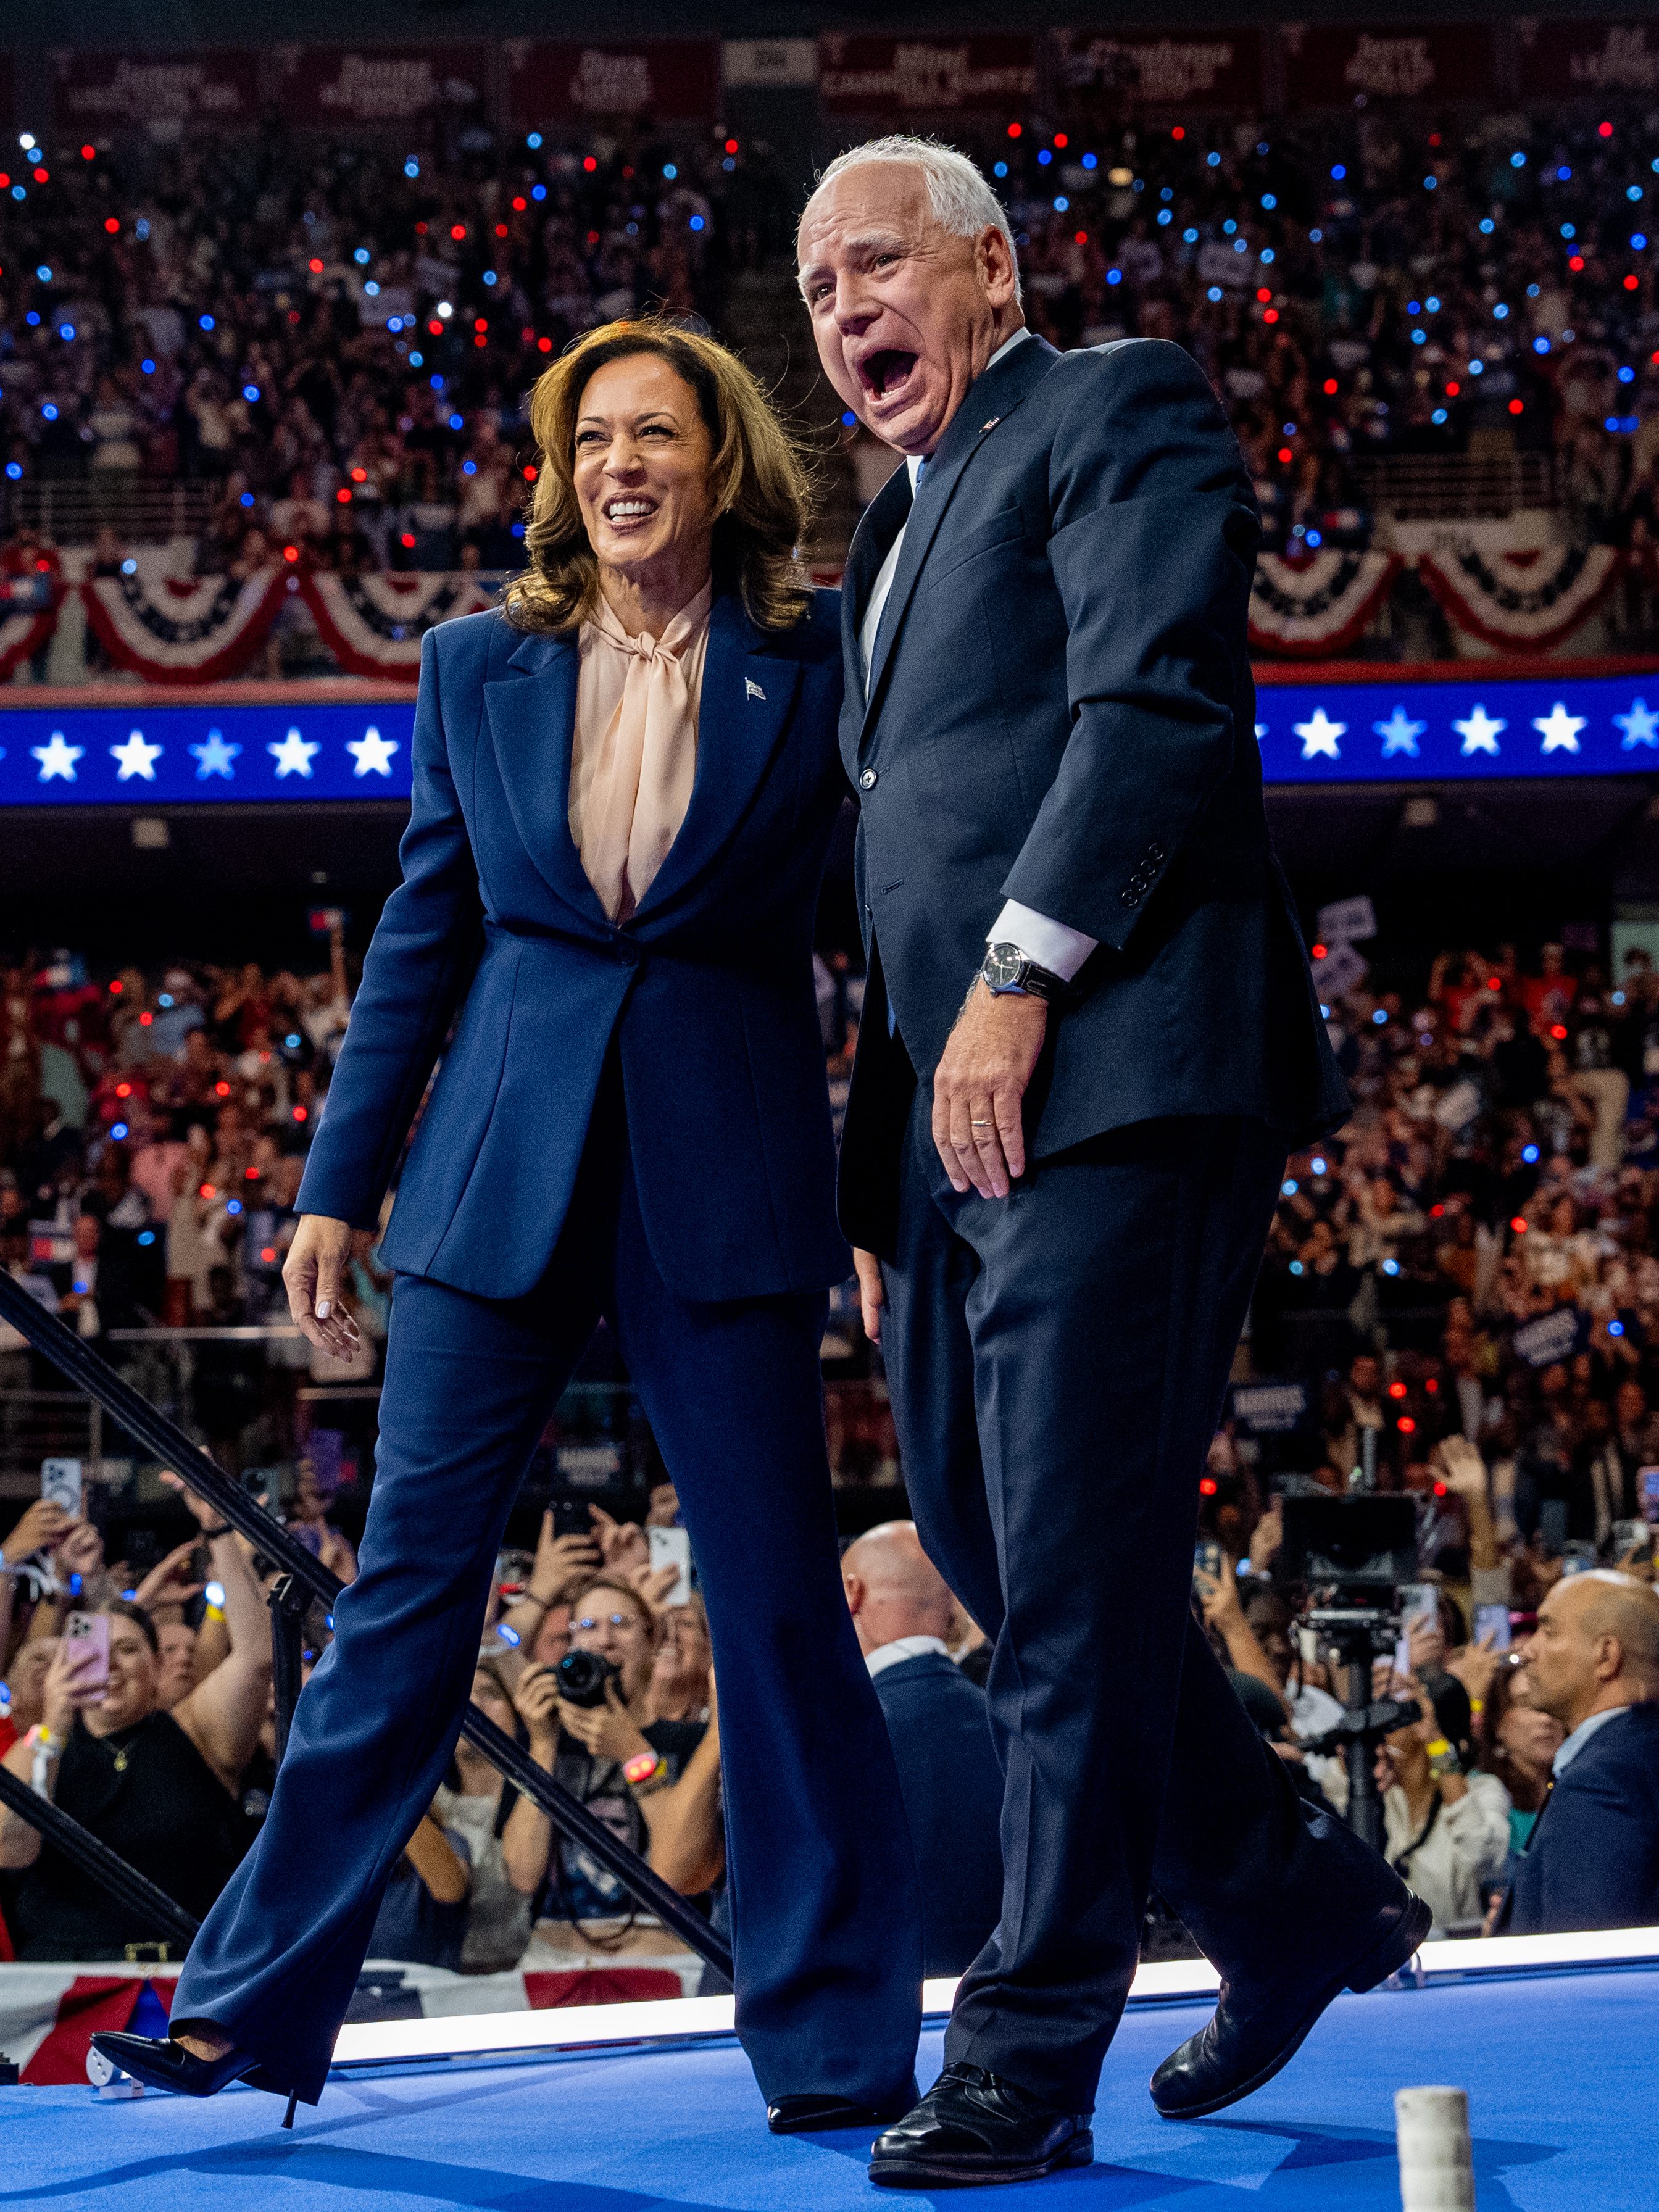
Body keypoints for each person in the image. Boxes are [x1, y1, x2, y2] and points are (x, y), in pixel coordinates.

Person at [95, 317, 922, 2128]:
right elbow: (421, 936)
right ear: (561, 475)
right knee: (401, 1599)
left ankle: (844, 2042)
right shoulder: (476, 662)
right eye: (591, 438)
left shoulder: (819, 655)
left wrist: (881, 1194)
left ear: (720, 467)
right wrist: (333, 1177)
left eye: (656, 434)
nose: (620, 464)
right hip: (494, 1181)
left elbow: (894, 936)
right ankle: (242, 2008)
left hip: (732, 1182)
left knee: (782, 1608)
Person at [798, 136, 1426, 2189]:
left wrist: (1012, 977)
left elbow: (1146, 710)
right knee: (992, 1556)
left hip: (1116, 1069)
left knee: (1065, 1568)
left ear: (981, 267)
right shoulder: (881, 532)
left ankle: (1026, 2046)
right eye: (811, 294)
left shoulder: (1113, 400)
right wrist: (885, 1168)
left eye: (871, 265)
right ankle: (1292, 1899)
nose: (842, 315)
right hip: (949, 1128)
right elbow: (887, 872)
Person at [0, 1499, 272, 1959]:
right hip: (71, 1986)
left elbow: (256, 1658)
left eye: (126, 1649)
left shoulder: (195, 1730)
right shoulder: (37, 1745)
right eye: (92, 1651)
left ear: (154, 1666)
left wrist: (219, 1528)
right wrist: (54, 1727)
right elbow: (12, 1849)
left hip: (183, 1977)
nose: (108, 1665)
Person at [842, 1521, 1004, 1977]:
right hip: (997, 2017)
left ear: (850, 1593)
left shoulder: (830, 1744)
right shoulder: (1018, 1730)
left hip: (871, 2021)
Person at [1497, 1570, 1659, 1934]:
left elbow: (1586, 1963)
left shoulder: (1601, 1781)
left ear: (1606, 1656)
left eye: (1549, 1631)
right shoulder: (1638, 1751)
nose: (1528, 1650)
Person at [1376, 1673, 1511, 1936]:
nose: (1384, 1726)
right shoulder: (1388, 1799)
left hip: (1461, 1960)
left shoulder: (1484, 1790)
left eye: (1398, 1715)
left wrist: (1435, 1743)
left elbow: (1480, 1853)